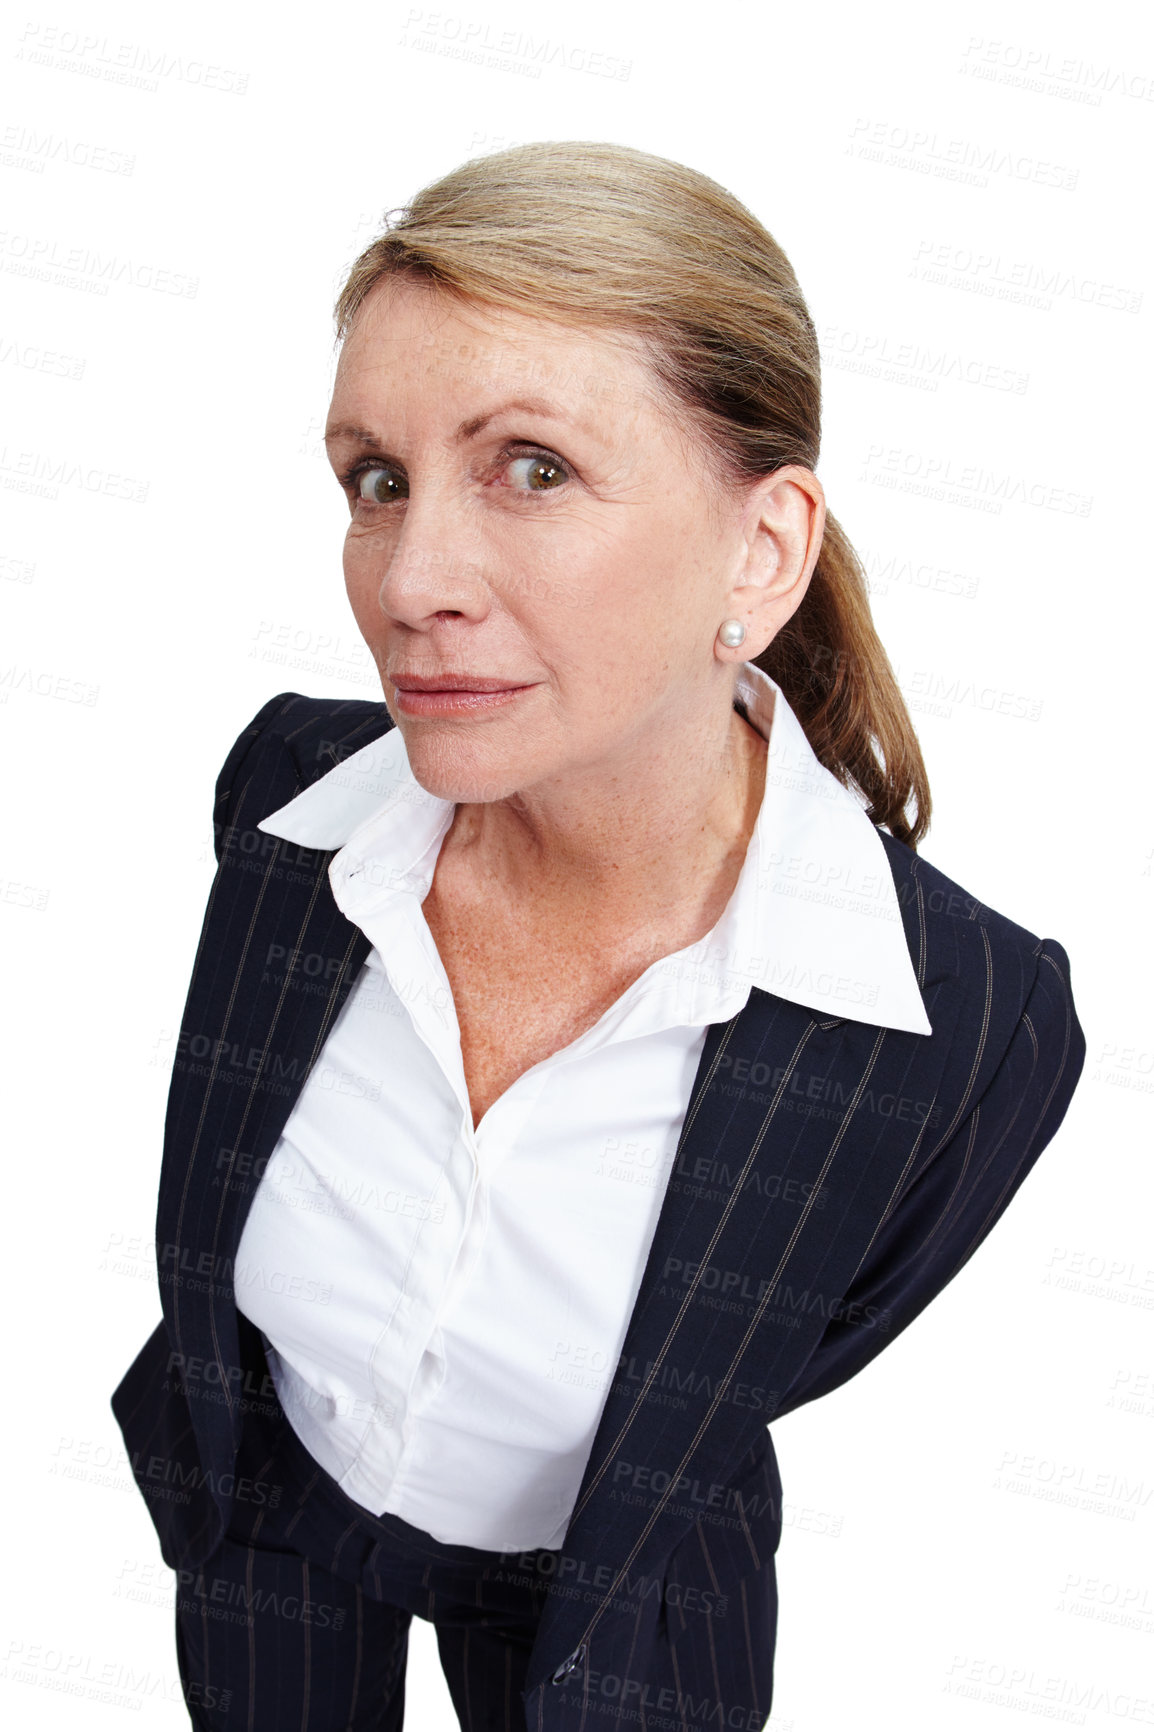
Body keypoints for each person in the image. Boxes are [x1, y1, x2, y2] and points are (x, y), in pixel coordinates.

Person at [111, 141, 1085, 1732]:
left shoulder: (966, 1021)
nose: (411, 580)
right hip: (265, 1526)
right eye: (377, 479)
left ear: (759, 551)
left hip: (609, 1612)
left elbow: (775, 1347)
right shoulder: (288, 795)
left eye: (533, 468)